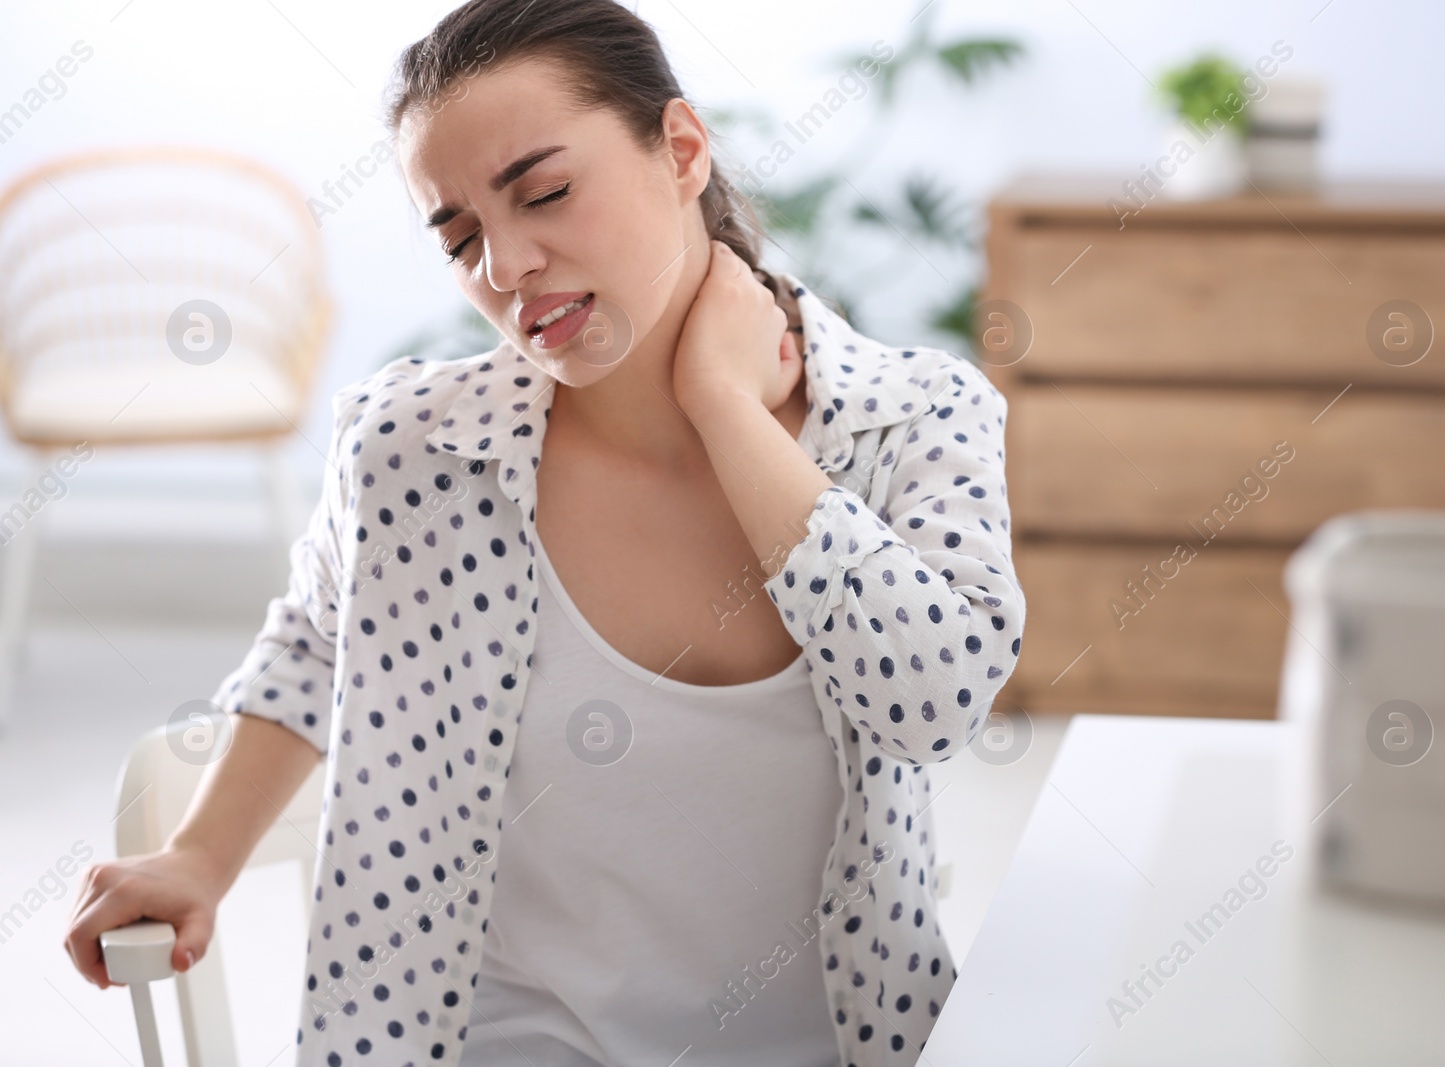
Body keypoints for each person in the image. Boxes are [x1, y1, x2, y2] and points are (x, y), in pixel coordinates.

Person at [64, 1, 1025, 1064]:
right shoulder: (414, 451)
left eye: (547, 193)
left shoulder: (916, 415)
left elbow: (933, 702)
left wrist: (727, 410)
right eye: (462, 236)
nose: (506, 265)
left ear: (682, 150)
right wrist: (198, 856)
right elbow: (317, 641)